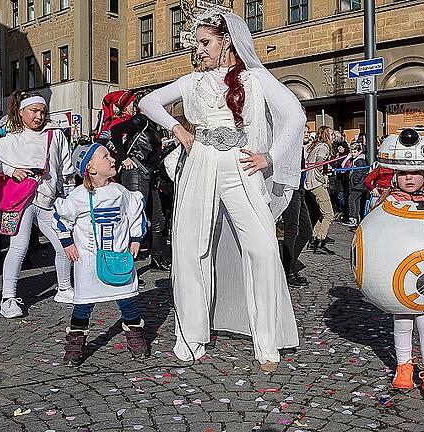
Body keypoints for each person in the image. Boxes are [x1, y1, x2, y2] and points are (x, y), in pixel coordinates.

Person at [138, 11, 301, 372]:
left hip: (241, 164)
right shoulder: (192, 81)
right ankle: (192, 336)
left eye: (205, 42)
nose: (199, 49)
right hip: (200, 163)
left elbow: (294, 114)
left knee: (261, 246)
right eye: (197, 42)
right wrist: (178, 129)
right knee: (191, 247)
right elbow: (147, 102)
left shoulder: (254, 78)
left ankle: (267, 340)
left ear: (226, 40)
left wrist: (270, 157)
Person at [0, 91, 75, 318]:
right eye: (34, 111)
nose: (39, 116)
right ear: (21, 113)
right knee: (18, 248)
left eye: (43, 112)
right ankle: (8, 298)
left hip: (49, 199)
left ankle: (65, 288)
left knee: (64, 244)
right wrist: (11, 170)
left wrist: (68, 196)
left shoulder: (56, 135)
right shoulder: (12, 139)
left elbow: (66, 167)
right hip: (22, 201)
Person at [53, 142, 148, 365]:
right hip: (88, 262)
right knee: (83, 305)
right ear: (91, 168)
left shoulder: (121, 192)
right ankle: (76, 341)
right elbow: (61, 218)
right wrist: (67, 242)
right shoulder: (78, 196)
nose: (112, 159)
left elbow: (136, 213)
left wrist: (136, 238)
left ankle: (135, 335)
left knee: (127, 299)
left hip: (119, 257)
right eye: (105, 156)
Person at [387, 171, 424, 398]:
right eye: (403, 173)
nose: (409, 178)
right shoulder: (389, 203)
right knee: (402, 319)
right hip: (399, 271)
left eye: (415, 174)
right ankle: (404, 366)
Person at [109, 91, 171, 271]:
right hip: (135, 171)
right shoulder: (142, 120)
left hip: (149, 174)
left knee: (158, 217)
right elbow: (115, 130)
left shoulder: (153, 124)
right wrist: (123, 157)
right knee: (133, 216)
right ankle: (124, 266)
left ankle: (157, 259)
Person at [280, 125, 313, 288]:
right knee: (292, 229)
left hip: (298, 189)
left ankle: (288, 265)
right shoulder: (288, 142)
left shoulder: (299, 146)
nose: (306, 133)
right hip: (288, 187)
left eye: (307, 132)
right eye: (304, 131)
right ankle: (287, 270)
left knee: (306, 231)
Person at [305, 125, 335, 254]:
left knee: (320, 213)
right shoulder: (324, 147)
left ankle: (314, 240)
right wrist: (322, 178)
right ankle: (320, 242)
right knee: (329, 214)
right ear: (326, 135)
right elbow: (319, 163)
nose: (334, 137)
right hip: (316, 184)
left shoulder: (315, 146)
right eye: (332, 134)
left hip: (309, 183)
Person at [341, 143, 367, 227]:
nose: (353, 154)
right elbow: (343, 166)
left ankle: (352, 217)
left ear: (359, 152)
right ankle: (355, 218)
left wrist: (354, 181)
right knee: (356, 201)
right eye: (352, 152)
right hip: (359, 185)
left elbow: (359, 174)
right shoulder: (356, 160)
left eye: (355, 152)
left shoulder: (359, 161)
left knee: (351, 200)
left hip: (358, 185)